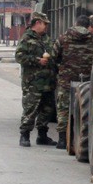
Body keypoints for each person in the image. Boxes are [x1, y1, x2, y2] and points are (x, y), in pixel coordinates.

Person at [52, 15, 93, 149]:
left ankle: (62, 140)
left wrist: (60, 69)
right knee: (85, 109)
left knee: (63, 109)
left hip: (67, 79)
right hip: (87, 81)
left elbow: (54, 57)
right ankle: (81, 139)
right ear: (87, 25)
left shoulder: (63, 38)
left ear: (75, 23)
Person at [14, 11, 58, 147]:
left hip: (47, 82)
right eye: (45, 24)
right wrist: (37, 61)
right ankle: (24, 135)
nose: (46, 27)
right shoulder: (27, 38)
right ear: (37, 23)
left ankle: (42, 136)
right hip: (33, 83)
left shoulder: (45, 38)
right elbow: (19, 57)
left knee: (47, 110)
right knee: (30, 109)